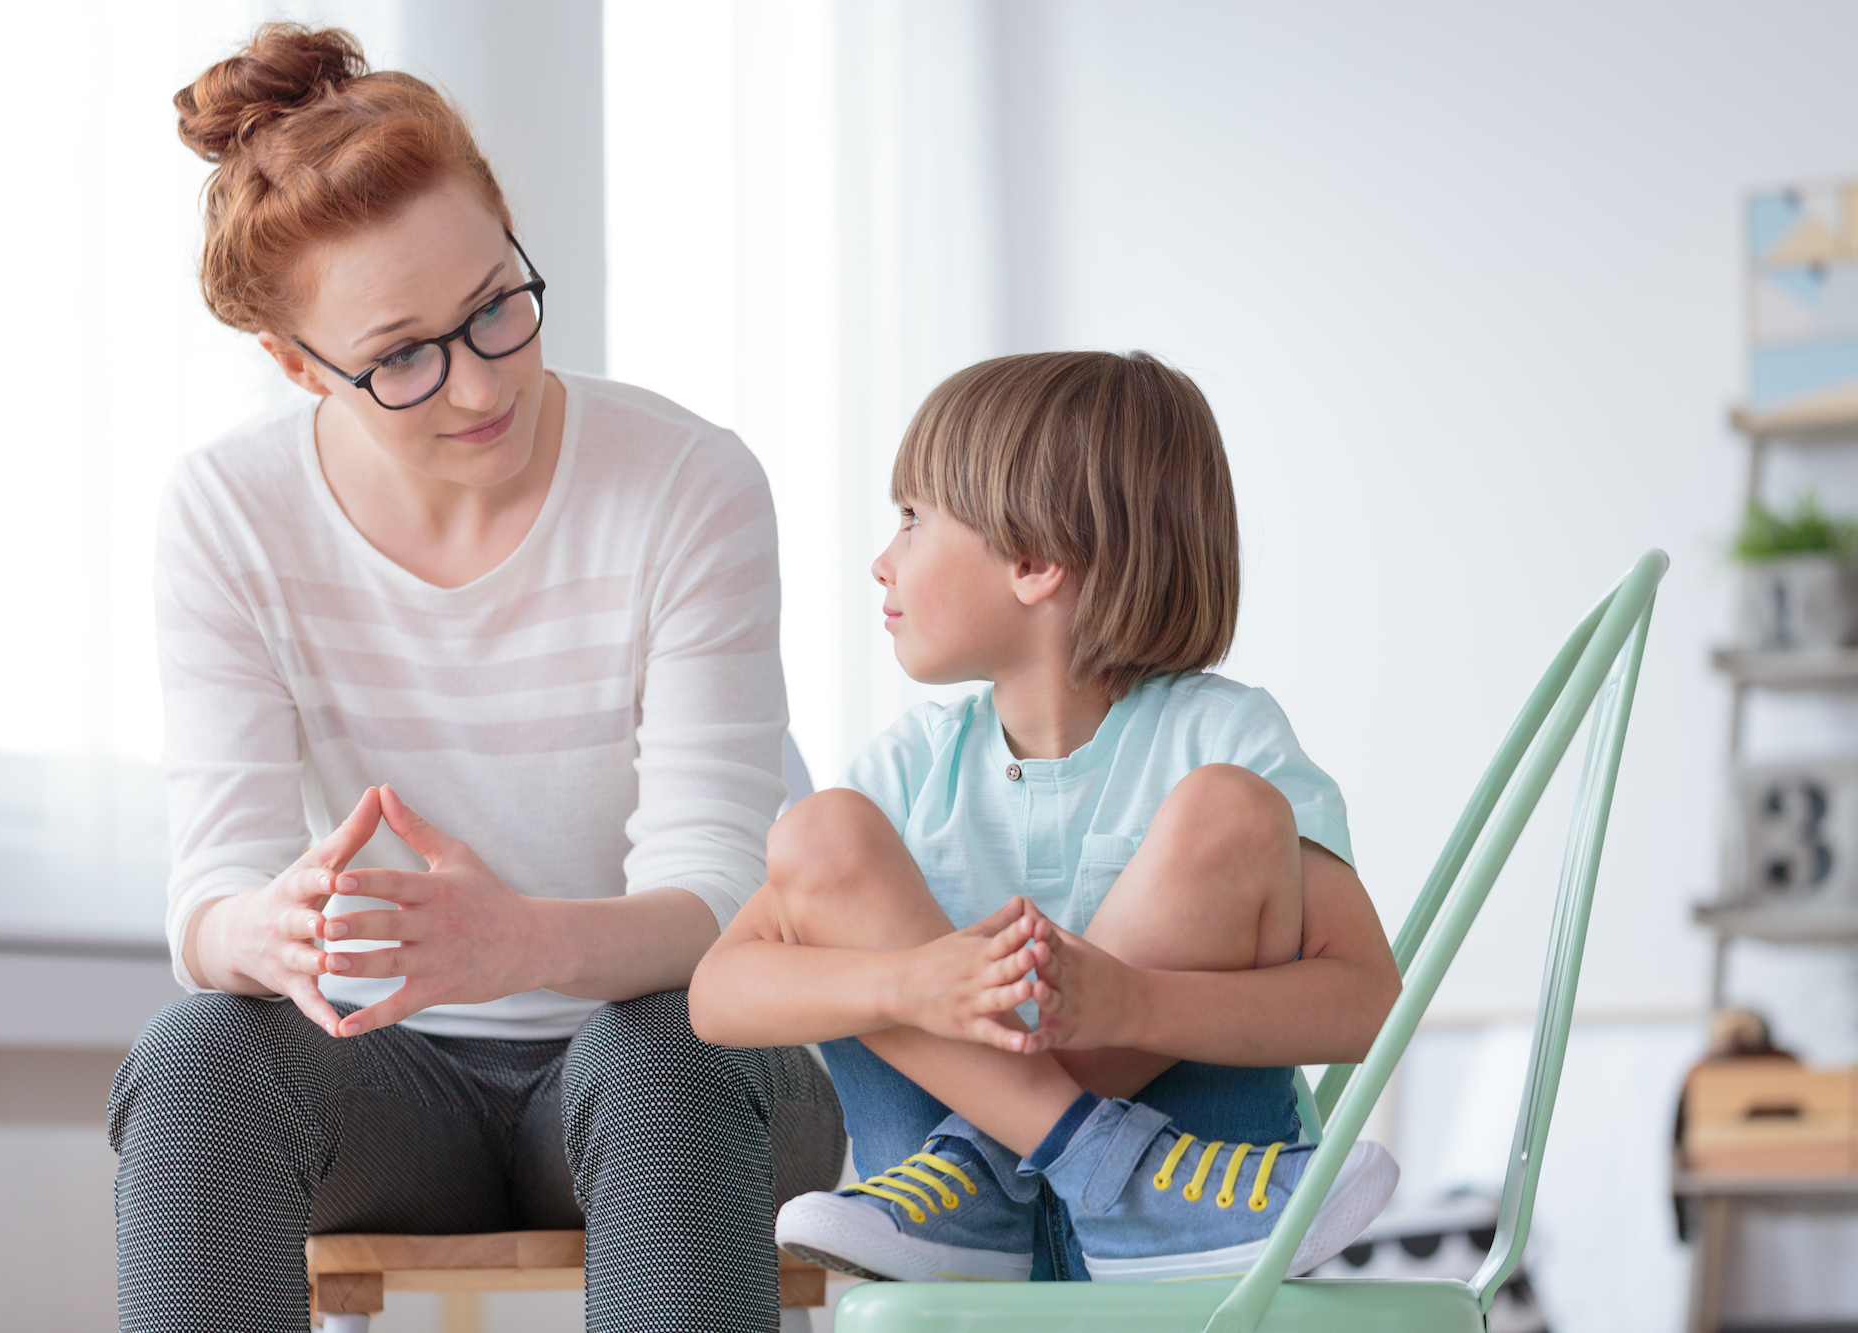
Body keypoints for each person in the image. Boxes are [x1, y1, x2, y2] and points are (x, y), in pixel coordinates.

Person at [107, 24, 842, 1333]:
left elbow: (720, 899)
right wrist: (258, 929)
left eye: (498, 305)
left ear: (512, 238)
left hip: (674, 1062)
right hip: (393, 1085)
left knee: (664, 1043)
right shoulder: (229, 512)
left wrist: (525, 943)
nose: (481, 382)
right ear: (297, 366)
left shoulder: (688, 485)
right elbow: (206, 901)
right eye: (402, 358)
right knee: (199, 1053)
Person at [688, 350, 1403, 1284]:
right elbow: (718, 994)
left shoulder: (1224, 741)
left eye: (912, 520)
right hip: (952, 1233)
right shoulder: (908, 771)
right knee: (819, 832)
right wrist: (912, 983)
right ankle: (1061, 1177)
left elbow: (1366, 1006)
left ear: (1033, 560)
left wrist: (1136, 999)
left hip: (1206, 1224)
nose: (883, 558)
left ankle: (1024, 1172)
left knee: (1227, 810)